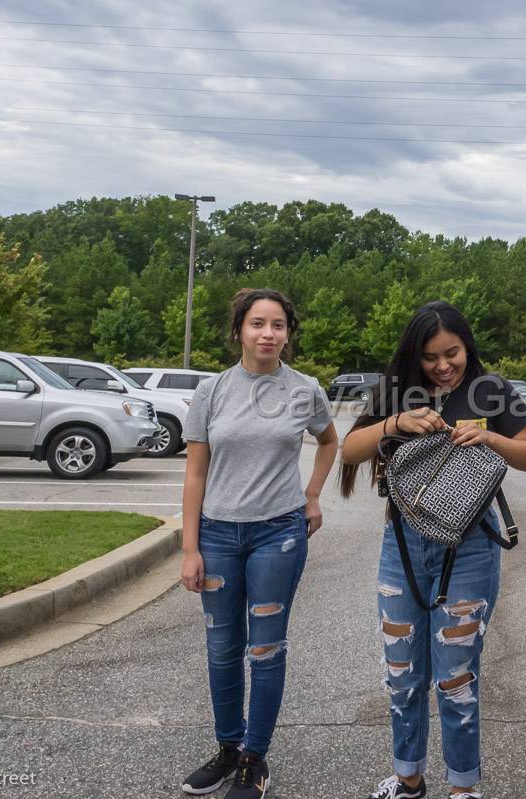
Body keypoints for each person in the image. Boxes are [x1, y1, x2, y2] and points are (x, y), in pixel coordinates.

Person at [340, 301, 526, 799]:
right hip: (403, 545)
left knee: (455, 676)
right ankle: (408, 778)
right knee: (402, 673)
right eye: (431, 357)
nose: (443, 365)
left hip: (470, 544)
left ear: (467, 346)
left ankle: (463, 788)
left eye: (452, 352)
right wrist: (395, 425)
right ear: (416, 355)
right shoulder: (396, 392)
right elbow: (348, 451)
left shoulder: (490, 390)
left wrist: (490, 436)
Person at [178, 288, 339, 799]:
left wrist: (311, 495)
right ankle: (228, 748)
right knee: (222, 648)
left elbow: (329, 441)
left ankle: (254, 758)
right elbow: (195, 470)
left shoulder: (304, 389)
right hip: (218, 534)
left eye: (277, 325)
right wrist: (189, 546)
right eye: (257, 324)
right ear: (238, 331)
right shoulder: (211, 391)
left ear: (288, 333)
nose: (268, 333)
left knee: (265, 648)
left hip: (279, 533)